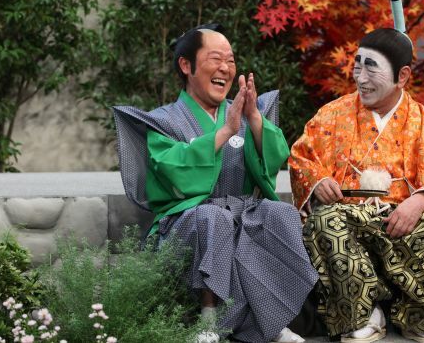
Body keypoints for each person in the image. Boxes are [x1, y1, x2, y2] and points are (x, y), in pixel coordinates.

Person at [289, 24, 424, 343]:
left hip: (409, 222)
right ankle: (364, 313)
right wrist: (317, 181)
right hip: (351, 219)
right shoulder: (332, 115)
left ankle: (423, 316)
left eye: (371, 68)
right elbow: (302, 157)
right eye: (357, 66)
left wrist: (420, 202)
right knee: (324, 221)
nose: (361, 78)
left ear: (402, 76)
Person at [112, 23, 318, 343]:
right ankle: (207, 320)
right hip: (186, 224)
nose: (225, 68)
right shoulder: (164, 121)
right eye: (216, 59)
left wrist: (254, 118)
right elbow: (172, 169)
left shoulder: (242, 113)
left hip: (242, 212)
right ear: (186, 65)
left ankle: (273, 323)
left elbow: (273, 160)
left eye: (231, 60)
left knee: (280, 214)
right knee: (214, 217)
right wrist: (224, 132)